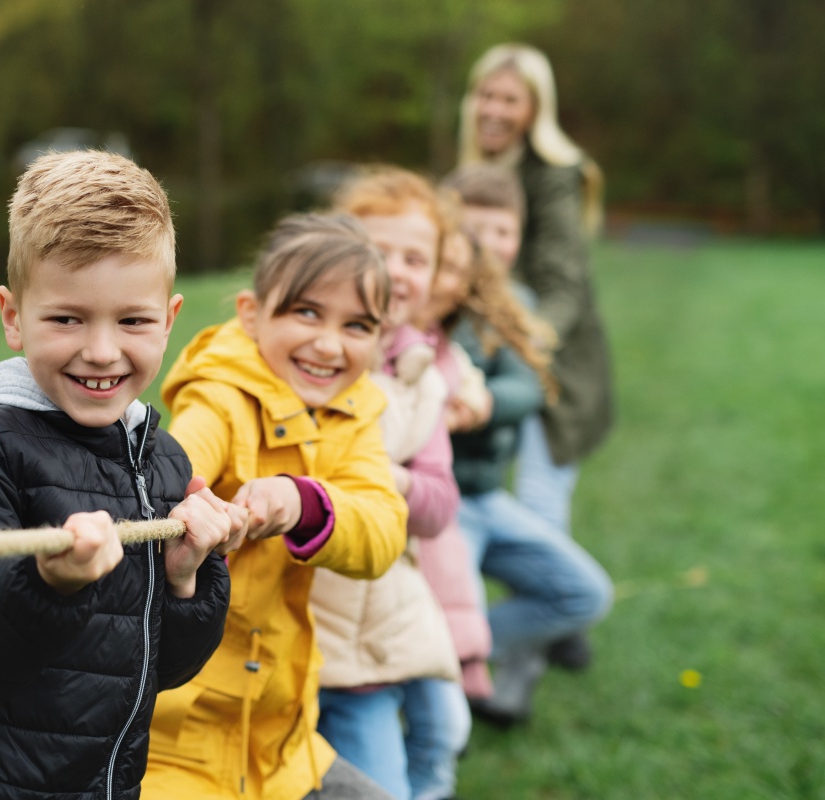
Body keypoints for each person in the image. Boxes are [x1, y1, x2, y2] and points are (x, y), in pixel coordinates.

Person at [0, 150, 240, 800]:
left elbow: (156, 671)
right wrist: (42, 586)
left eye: (133, 321)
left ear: (169, 320)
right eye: (67, 319)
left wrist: (186, 577)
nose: (102, 351)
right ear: (12, 316)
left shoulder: (159, 459)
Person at [143, 213, 410, 800]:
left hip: (283, 746)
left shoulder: (354, 412)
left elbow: (383, 532)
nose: (328, 343)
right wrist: (194, 508)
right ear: (251, 313)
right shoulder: (219, 396)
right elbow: (178, 466)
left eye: (357, 325)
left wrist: (299, 500)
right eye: (306, 312)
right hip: (172, 747)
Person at [308, 167, 463, 800]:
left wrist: (381, 476)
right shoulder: (303, 350)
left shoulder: (421, 379)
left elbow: (438, 504)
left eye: (415, 258)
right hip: (273, 629)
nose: (397, 271)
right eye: (380, 251)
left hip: (362, 647)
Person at [458, 42, 615, 668]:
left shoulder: (554, 175)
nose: (495, 110)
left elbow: (563, 286)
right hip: (488, 357)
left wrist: (524, 347)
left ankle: (520, 667)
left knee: (542, 509)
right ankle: (526, 636)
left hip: (553, 362)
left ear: (535, 109)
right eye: (486, 95)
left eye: (510, 99)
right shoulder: (465, 174)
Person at [440, 164, 613, 726]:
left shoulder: (516, 300)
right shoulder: (434, 302)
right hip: (444, 508)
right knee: (444, 717)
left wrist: (482, 401)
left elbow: (529, 383)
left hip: (490, 498)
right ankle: (441, 703)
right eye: (474, 231)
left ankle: (447, 651)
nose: (489, 246)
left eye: (504, 232)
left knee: (584, 594)